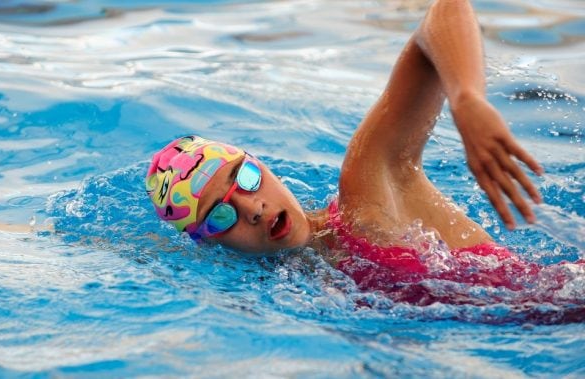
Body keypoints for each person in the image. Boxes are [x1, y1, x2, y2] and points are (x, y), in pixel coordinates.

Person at [144, 0, 565, 303]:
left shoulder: (366, 195)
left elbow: (443, 11)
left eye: (247, 179)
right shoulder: (301, 294)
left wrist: (467, 99)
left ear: (262, 165)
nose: (251, 208)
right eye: (221, 215)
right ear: (208, 245)